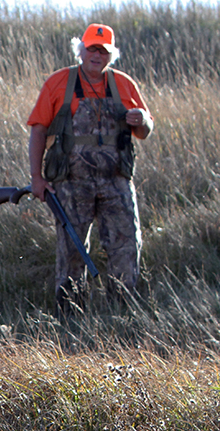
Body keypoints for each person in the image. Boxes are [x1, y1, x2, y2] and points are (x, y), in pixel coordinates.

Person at [27, 23, 154, 313]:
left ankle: (123, 314)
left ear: (111, 55)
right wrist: (36, 178)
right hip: (72, 183)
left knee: (126, 247)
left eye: (103, 50)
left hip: (116, 182)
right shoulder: (59, 82)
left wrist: (142, 120)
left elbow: (146, 130)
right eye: (92, 49)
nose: (97, 55)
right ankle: (70, 317)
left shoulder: (124, 84)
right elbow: (38, 130)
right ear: (80, 50)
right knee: (71, 252)